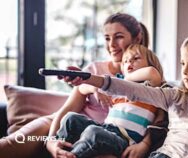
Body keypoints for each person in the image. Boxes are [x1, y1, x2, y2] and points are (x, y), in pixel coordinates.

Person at [0, 13, 151, 158]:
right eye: (106, 38)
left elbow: (161, 119)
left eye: (118, 37)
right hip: (58, 125)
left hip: (99, 139)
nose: (111, 44)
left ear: (137, 38)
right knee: (9, 145)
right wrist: (50, 141)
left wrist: (145, 144)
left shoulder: (148, 79)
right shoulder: (95, 69)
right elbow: (68, 109)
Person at [65, 32, 188, 158]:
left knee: (93, 133)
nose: (184, 71)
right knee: (74, 121)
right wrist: (88, 78)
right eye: (182, 64)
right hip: (158, 155)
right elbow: (133, 91)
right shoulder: (174, 95)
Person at [56, 44, 165, 158]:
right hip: (106, 129)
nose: (129, 63)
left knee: (93, 133)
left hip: (124, 140)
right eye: (125, 61)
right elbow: (82, 88)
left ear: (151, 63)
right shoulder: (118, 89)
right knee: (71, 118)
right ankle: (61, 150)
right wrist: (95, 89)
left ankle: (71, 155)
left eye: (136, 58)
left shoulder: (151, 90)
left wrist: (126, 79)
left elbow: (152, 73)